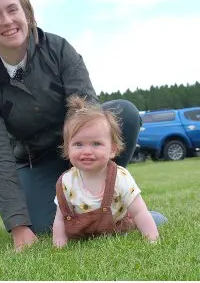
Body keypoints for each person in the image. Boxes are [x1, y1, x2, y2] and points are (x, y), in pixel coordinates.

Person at [0, 0, 142, 251]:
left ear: (27, 14)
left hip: (79, 145)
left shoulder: (59, 49)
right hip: (36, 161)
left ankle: (110, 197)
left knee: (125, 114)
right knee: (43, 226)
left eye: (13, 10)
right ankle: (90, 208)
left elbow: (86, 111)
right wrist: (19, 226)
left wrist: (81, 161)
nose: (7, 21)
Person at [52, 96, 161, 248]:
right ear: (67, 149)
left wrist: (152, 240)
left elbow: (139, 212)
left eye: (96, 144)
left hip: (119, 227)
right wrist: (59, 247)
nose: (87, 151)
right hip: (85, 233)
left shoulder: (120, 177)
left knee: (148, 219)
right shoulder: (66, 182)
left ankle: (157, 218)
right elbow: (59, 219)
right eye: (78, 144)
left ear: (113, 149)